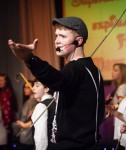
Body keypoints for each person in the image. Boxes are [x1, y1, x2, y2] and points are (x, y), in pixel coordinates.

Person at [8, 16, 105, 150]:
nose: (57, 41)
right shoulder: (91, 69)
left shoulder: (77, 68)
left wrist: (30, 59)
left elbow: (57, 80)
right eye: (56, 36)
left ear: (79, 41)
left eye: (63, 36)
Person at [16, 80, 55, 150]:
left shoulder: (41, 106)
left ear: (46, 89)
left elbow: (40, 137)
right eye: (33, 85)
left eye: (37, 85)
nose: (33, 88)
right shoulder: (54, 101)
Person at [0, 73, 18, 147]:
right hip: (9, 122)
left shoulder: (6, 92)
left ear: (6, 81)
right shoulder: (5, 91)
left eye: (2, 80)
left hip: (7, 123)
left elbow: (7, 111)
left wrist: (6, 126)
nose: (0, 82)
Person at [16, 81, 38, 150]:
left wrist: (20, 125)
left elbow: (25, 119)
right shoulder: (31, 101)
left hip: (27, 135)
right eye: (25, 87)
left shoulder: (31, 102)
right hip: (28, 135)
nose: (25, 89)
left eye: (28, 87)